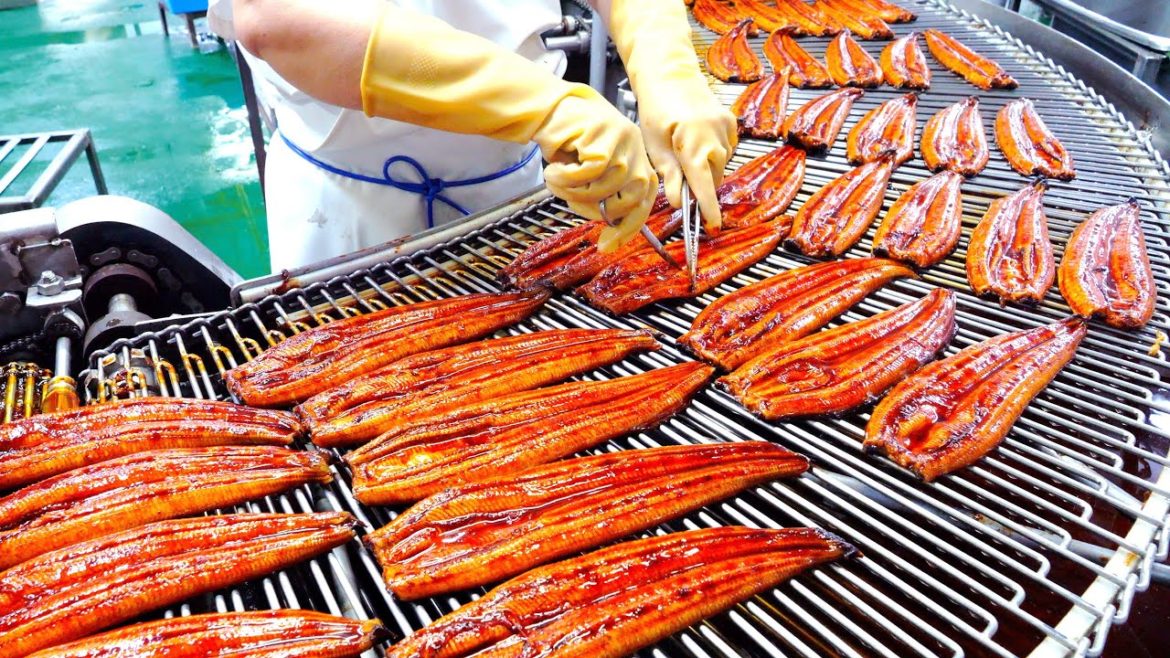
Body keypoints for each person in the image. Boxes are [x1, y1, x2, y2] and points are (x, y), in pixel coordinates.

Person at [210, 0, 736, 272]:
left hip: (521, 190)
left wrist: (666, 66)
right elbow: (276, 17)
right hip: (354, 214)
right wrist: (541, 104)